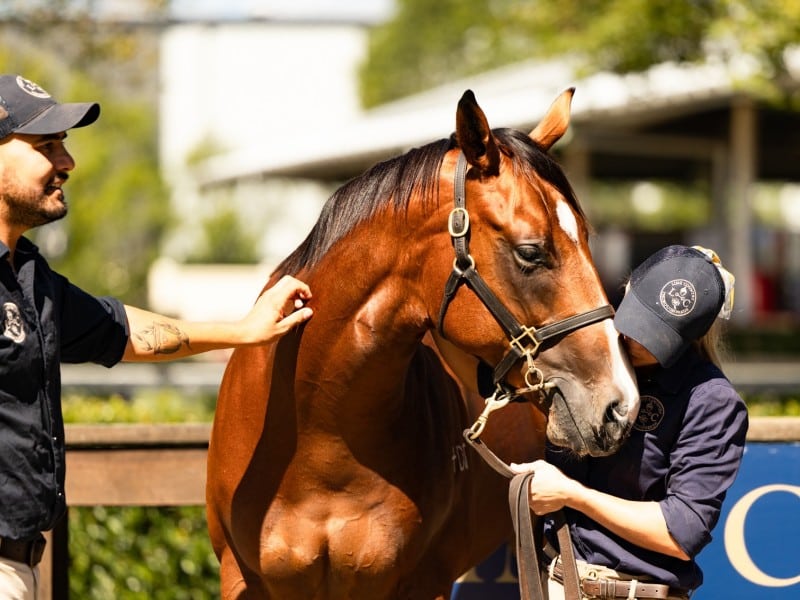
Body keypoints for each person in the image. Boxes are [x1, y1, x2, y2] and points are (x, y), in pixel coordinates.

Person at [0, 74, 313, 598]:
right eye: (46, 145)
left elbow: (125, 332)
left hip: (23, 565)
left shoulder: (31, 276)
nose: (67, 162)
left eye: (64, 145)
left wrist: (246, 330)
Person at [512, 244, 748, 600]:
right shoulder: (584, 358)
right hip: (552, 580)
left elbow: (682, 533)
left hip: (634, 591)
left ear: (689, 339)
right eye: (634, 319)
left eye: (655, 335)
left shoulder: (711, 401)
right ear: (626, 291)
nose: (634, 339)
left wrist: (572, 495)